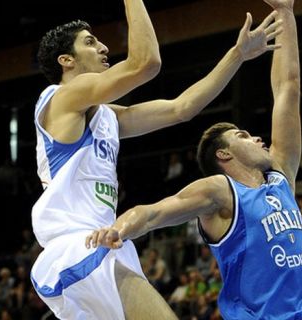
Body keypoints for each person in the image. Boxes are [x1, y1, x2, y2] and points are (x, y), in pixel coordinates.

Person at [30, 0, 283, 318]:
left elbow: (183, 108)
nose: (104, 47)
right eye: (90, 42)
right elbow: (145, 63)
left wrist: (238, 55)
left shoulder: (107, 117)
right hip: (77, 246)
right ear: (66, 60)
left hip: (102, 240)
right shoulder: (61, 97)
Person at [86, 0, 302, 319]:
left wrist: (286, 13)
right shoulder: (220, 192)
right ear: (223, 154)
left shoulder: (281, 177)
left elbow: (287, 90)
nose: (256, 138)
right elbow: (154, 213)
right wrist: (118, 230)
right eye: (243, 135)